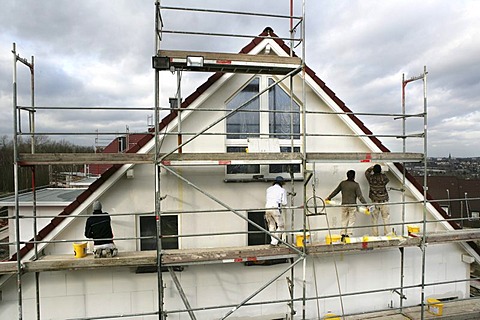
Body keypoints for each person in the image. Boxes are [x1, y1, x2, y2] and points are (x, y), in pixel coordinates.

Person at [326, 170, 367, 241]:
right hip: (352, 205)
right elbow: (360, 196)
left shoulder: (343, 183)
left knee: (344, 220)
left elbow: (336, 191)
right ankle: (348, 234)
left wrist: (329, 198)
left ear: (347, 175)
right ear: (354, 176)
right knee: (351, 220)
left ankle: (343, 234)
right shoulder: (356, 185)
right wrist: (366, 205)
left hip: (344, 204)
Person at [365, 164, 390, 236]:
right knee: (386, 218)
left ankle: (375, 235)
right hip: (384, 200)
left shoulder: (371, 178)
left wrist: (371, 167)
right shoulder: (383, 177)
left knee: (374, 219)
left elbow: (366, 172)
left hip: (374, 201)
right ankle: (387, 234)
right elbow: (387, 180)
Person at [265, 176, 288, 246]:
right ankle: (274, 242)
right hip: (275, 208)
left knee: (271, 225)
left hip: (267, 208)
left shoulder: (268, 189)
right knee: (281, 226)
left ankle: (273, 241)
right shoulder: (282, 190)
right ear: (282, 183)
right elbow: (284, 202)